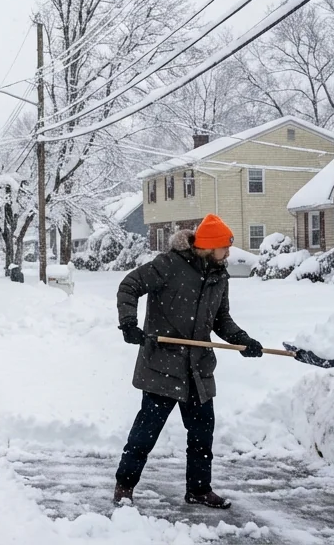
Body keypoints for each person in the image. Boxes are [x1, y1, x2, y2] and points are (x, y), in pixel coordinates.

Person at [113, 213, 264, 510]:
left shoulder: (220, 275)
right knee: (145, 434)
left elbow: (221, 319)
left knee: (201, 436)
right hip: (162, 366)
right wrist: (129, 323)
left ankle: (199, 489)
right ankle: (124, 487)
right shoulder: (168, 265)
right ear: (208, 247)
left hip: (199, 369)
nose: (229, 253)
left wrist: (243, 340)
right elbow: (129, 285)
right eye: (225, 247)